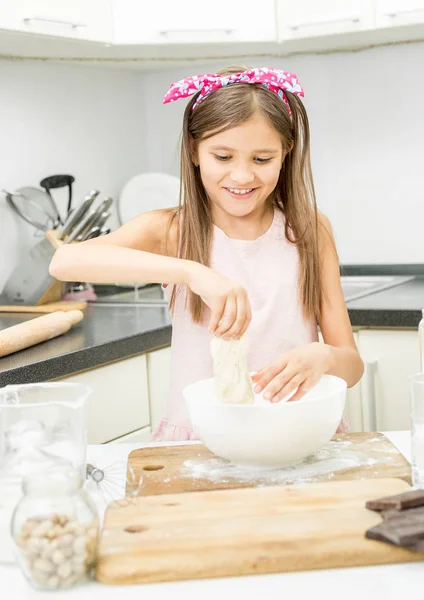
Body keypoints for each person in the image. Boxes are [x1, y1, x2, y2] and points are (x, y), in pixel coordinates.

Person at [49, 65, 364, 442]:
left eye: (262, 159)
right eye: (223, 157)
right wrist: (192, 272)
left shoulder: (311, 230)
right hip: (202, 441)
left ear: (286, 152)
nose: (243, 176)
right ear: (195, 151)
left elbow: (352, 364)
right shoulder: (171, 231)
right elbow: (64, 262)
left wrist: (326, 358)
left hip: (298, 434)